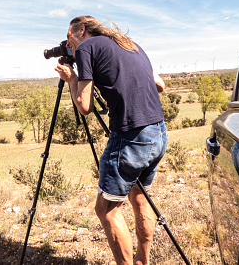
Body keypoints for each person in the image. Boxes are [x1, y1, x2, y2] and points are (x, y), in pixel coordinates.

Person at [55, 16, 167, 265]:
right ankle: (142, 261)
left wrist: (72, 78)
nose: (70, 43)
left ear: (81, 30)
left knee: (106, 210)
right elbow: (160, 84)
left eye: (70, 37)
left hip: (130, 136)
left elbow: (84, 107)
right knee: (140, 198)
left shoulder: (86, 47)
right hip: (158, 131)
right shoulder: (129, 43)